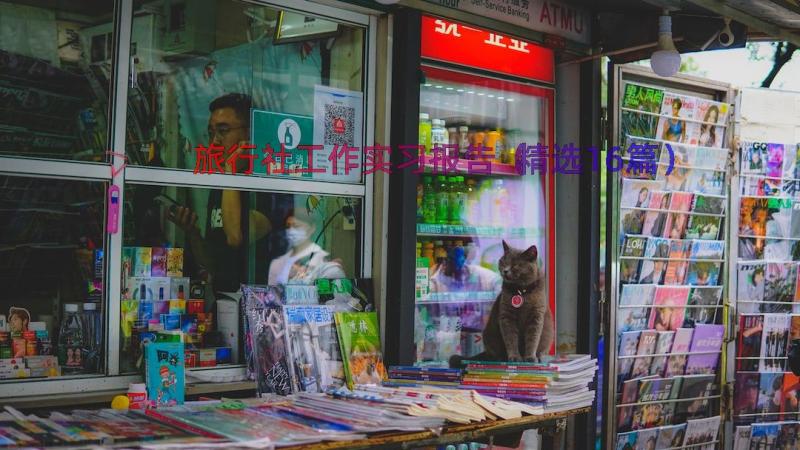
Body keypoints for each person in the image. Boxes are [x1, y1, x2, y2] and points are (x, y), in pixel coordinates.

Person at [170, 93, 271, 292]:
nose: (215, 141)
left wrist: (230, 169)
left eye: (223, 131)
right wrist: (193, 233)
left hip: (257, 305)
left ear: (249, 133)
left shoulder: (266, 183)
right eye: (211, 132)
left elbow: (235, 236)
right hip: (222, 300)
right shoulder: (222, 185)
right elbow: (213, 264)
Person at [268, 209, 345, 285]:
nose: (291, 231)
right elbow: (271, 294)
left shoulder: (324, 260)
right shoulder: (277, 263)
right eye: (288, 226)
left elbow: (331, 295)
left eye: (296, 226)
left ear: (312, 228)